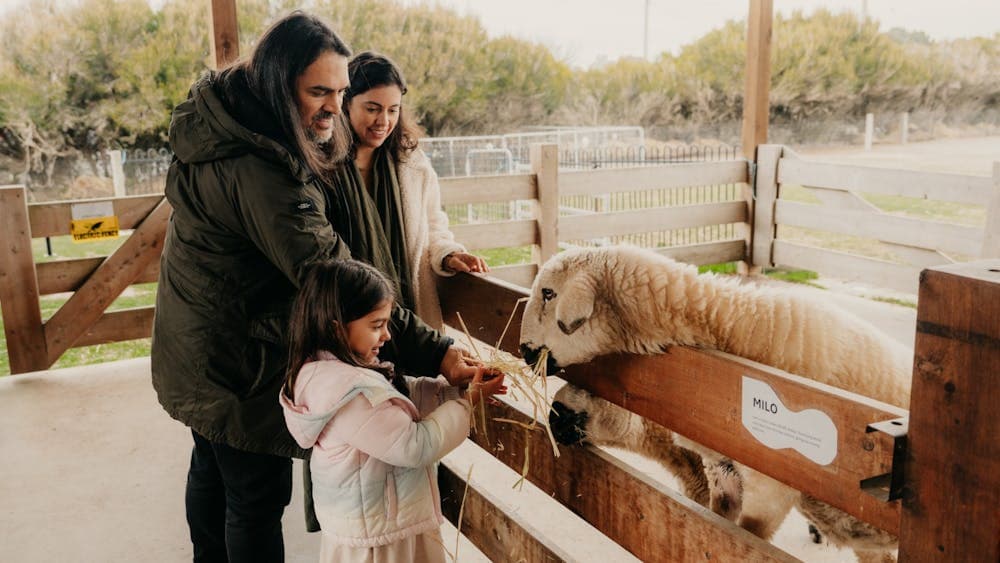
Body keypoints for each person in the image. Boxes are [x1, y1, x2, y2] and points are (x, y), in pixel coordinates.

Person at [151, 11, 480, 562]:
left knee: (213, 467)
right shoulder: (261, 166)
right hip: (236, 357)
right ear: (279, 84)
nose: (334, 107)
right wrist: (438, 351)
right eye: (318, 92)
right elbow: (334, 278)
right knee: (253, 495)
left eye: (341, 91)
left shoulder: (232, 125)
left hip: (197, 342)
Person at [280, 259, 506, 562]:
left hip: (381, 526)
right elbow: (415, 445)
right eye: (377, 325)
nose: (387, 335)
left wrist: (456, 391)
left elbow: (401, 400)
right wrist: (468, 404)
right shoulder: (350, 395)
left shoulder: (337, 374)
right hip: (380, 543)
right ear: (337, 328)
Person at [335, 51, 488, 330]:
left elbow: (433, 226)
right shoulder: (323, 167)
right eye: (372, 109)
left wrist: (448, 255)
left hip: (411, 311)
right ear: (346, 104)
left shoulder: (412, 163)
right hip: (346, 315)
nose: (383, 121)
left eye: (393, 110)